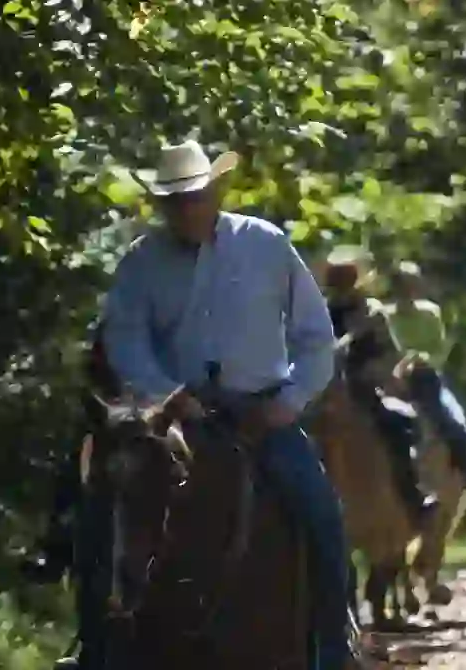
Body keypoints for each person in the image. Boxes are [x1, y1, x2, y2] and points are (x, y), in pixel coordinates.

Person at [101, 139, 360, 669]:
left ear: (215, 192)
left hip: (262, 417)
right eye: (175, 200)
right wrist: (166, 397)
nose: (187, 208)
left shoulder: (265, 245)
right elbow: (124, 340)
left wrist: (288, 402)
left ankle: (333, 649)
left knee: (322, 515)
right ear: (161, 206)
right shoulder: (141, 262)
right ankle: (96, 647)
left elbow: (315, 337)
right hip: (175, 418)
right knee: (103, 509)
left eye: (195, 196)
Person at [320, 246, 438, 527]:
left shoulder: (372, 312)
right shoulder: (320, 313)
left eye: (346, 280)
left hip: (362, 387)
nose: (342, 287)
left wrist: (373, 372)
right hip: (322, 389)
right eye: (337, 281)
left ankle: (414, 496)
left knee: (396, 426)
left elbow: (390, 354)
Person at [386, 260, 466, 504]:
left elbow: (439, 351)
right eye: (402, 286)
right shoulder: (386, 316)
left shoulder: (430, 313)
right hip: (394, 381)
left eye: (411, 286)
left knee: (455, 424)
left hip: (426, 380)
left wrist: (420, 359)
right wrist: (400, 364)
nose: (407, 292)